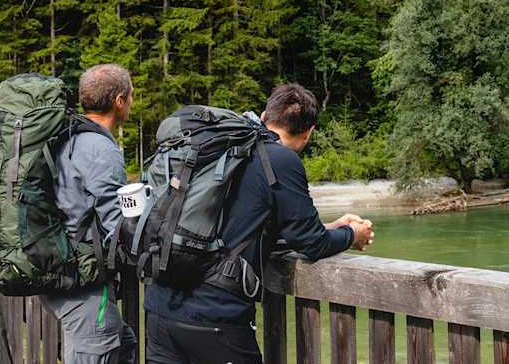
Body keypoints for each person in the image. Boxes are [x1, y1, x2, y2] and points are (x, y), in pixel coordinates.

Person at [145, 83, 375, 364]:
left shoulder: (226, 147)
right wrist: (352, 234)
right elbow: (312, 244)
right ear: (309, 133)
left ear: (265, 115)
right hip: (216, 318)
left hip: (160, 308)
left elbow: (246, 224)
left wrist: (330, 226)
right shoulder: (280, 160)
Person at [45, 63, 138, 364]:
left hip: (57, 265)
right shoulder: (101, 147)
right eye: (131, 95)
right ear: (119, 101)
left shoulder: (66, 134)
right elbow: (117, 222)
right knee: (97, 343)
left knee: (122, 341)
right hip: (82, 279)